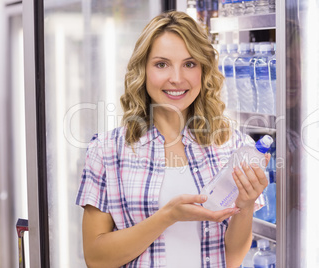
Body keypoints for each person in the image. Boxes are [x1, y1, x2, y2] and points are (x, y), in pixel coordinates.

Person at [76, 10, 271, 268]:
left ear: (203, 70)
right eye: (161, 64)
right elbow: (96, 259)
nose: (177, 78)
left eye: (189, 64)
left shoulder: (234, 146)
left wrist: (245, 206)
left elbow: (232, 260)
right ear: (142, 71)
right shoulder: (107, 150)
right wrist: (168, 216)